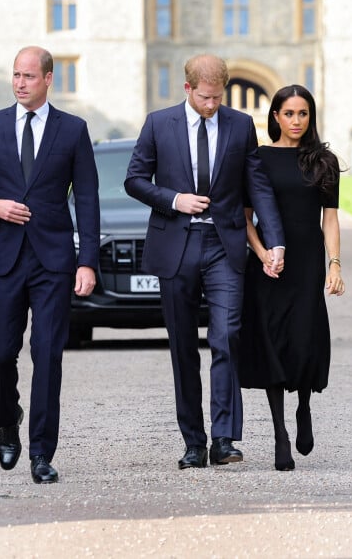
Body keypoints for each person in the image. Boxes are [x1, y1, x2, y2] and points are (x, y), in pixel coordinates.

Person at [125, 54, 285, 470]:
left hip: (224, 245)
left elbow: (259, 187)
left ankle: (224, 439)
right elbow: (135, 180)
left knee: (227, 336)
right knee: (182, 346)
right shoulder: (159, 124)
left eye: (218, 97)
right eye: (205, 97)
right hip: (175, 243)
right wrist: (175, 200)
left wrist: (275, 241)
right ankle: (193, 442)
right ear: (187, 89)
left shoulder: (240, 125)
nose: (212, 104)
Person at [0, 46, 100, 484]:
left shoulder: (73, 130)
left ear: (49, 79)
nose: (19, 83)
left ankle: (41, 453)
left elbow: (88, 200)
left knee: (48, 354)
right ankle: (8, 414)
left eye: (29, 76)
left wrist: (87, 261)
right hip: (2, 258)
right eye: (15, 75)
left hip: (53, 260)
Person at [240, 85, 345, 471]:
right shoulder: (259, 159)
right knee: (272, 340)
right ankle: (279, 433)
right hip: (269, 263)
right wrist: (262, 252)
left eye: (303, 114)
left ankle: (303, 406)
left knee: (302, 338)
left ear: (310, 117)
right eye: (288, 114)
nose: (296, 121)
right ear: (276, 117)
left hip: (306, 264)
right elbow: (246, 217)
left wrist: (334, 263)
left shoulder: (324, 161)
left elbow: (330, 218)